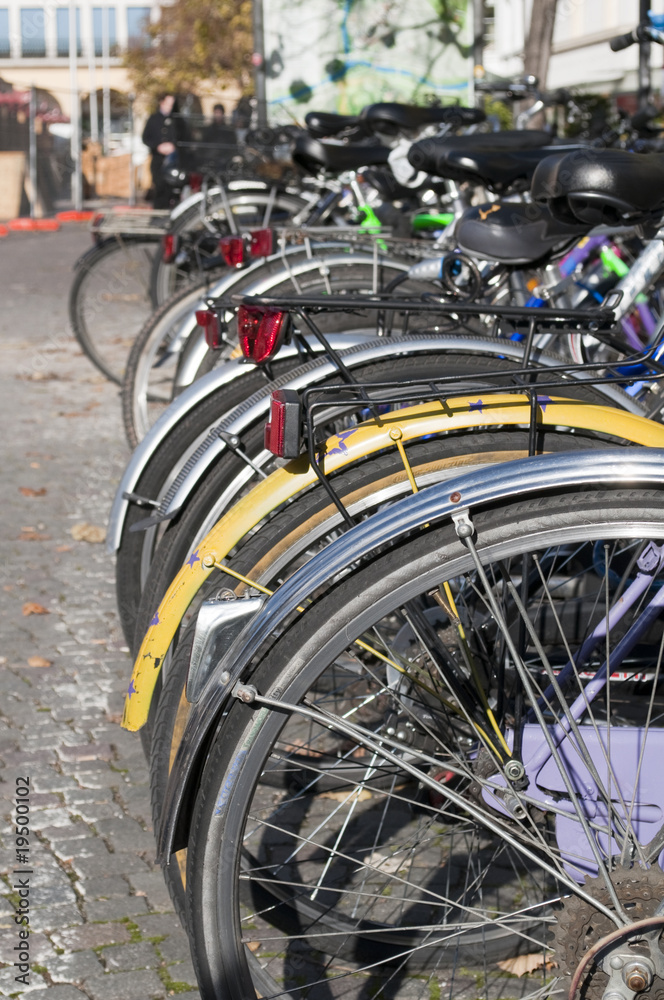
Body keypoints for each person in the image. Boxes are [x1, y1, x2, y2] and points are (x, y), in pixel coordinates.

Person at [142, 93, 187, 209]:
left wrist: (174, 146)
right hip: (158, 159)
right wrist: (158, 146)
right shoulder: (153, 119)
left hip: (174, 160)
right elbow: (146, 138)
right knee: (159, 187)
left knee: (172, 189)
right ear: (161, 103)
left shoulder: (177, 120)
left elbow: (185, 137)